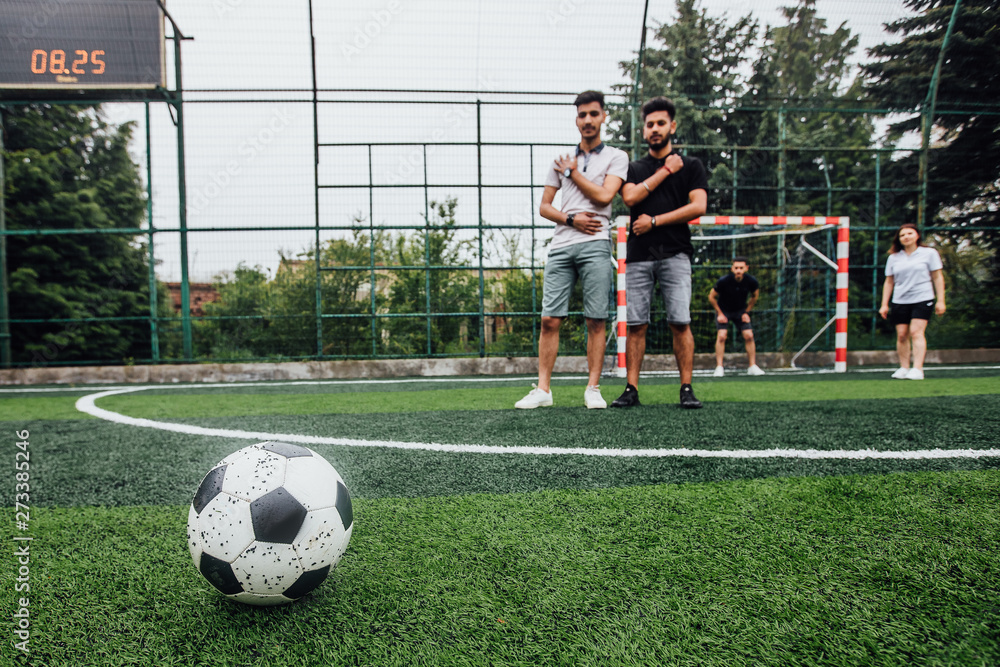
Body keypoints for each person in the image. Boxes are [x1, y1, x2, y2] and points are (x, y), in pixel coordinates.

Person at [515, 90, 628, 409]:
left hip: (595, 244)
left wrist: (573, 173)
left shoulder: (616, 157)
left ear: (604, 116)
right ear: (576, 119)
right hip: (562, 246)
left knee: (596, 319)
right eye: (582, 115)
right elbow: (544, 207)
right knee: (550, 319)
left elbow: (605, 197)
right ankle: (543, 390)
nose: (588, 120)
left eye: (594, 114)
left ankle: (593, 388)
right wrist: (571, 218)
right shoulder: (559, 160)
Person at [610, 97, 708, 409]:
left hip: (676, 254)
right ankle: (631, 389)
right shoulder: (634, 167)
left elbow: (698, 207)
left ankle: (687, 388)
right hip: (639, 255)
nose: (655, 129)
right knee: (636, 324)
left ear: (672, 126)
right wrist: (666, 169)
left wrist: (653, 221)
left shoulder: (691, 166)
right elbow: (631, 196)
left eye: (661, 123)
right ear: (643, 130)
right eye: (650, 124)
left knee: (680, 321)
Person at [878, 223, 946, 380]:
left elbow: (937, 277)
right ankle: (903, 367)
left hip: (923, 298)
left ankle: (917, 369)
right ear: (899, 239)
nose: (906, 237)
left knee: (916, 332)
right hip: (900, 300)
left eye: (909, 233)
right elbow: (889, 282)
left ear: (917, 235)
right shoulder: (894, 258)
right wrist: (884, 304)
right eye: (902, 235)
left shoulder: (929, 253)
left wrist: (940, 300)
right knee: (902, 335)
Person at [708, 256, 765, 377]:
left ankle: (752, 366)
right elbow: (711, 297)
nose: (738, 270)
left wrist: (746, 312)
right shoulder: (724, 281)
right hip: (724, 310)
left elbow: (755, 296)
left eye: (741, 268)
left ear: (746, 268)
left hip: (740, 311)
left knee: (749, 335)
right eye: (736, 268)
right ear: (732, 268)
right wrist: (720, 313)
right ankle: (719, 367)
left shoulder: (751, 281)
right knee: (722, 335)